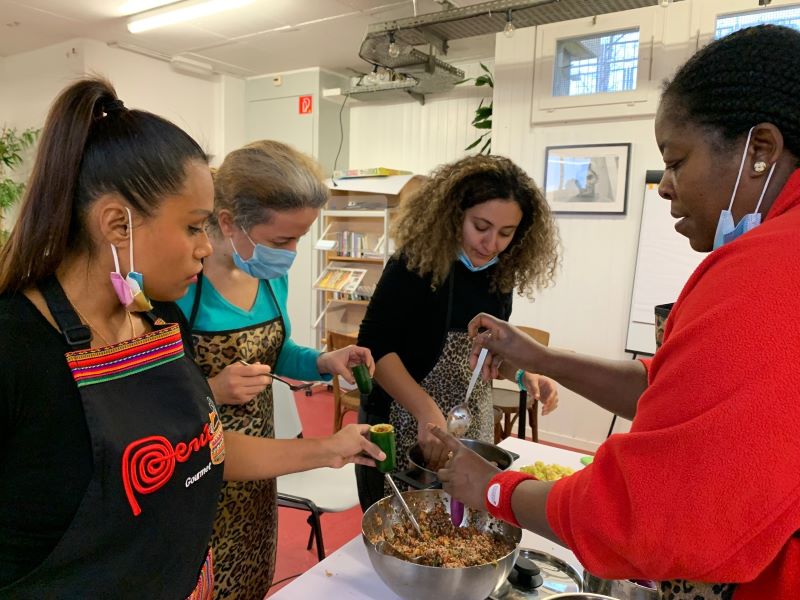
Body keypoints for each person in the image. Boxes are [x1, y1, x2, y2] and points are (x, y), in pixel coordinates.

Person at [433, 24, 800, 600]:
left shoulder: (766, 269)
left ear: (760, 150)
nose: (664, 188)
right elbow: (671, 390)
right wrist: (539, 357)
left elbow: (643, 515)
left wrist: (497, 490)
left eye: (676, 162)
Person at [0, 78, 383, 598]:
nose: (205, 249)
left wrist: (328, 447)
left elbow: (205, 450)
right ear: (117, 224)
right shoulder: (15, 345)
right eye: (193, 227)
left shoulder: (157, 322)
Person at [175, 140, 375, 598]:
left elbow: (276, 353)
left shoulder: (271, 277)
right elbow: (150, 392)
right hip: (197, 469)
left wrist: (325, 362)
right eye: (282, 239)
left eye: (300, 237)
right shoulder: (181, 282)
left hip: (262, 465)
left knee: (251, 575)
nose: (291, 252)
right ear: (229, 222)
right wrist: (211, 388)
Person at [356, 154, 561, 510]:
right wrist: (425, 411)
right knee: (402, 530)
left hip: (469, 422)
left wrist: (523, 374)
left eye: (506, 233)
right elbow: (375, 347)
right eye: (480, 227)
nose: (491, 243)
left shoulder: (501, 273)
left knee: (460, 529)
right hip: (402, 419)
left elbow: (488, 353)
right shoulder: (412, 265)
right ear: (455, 215)